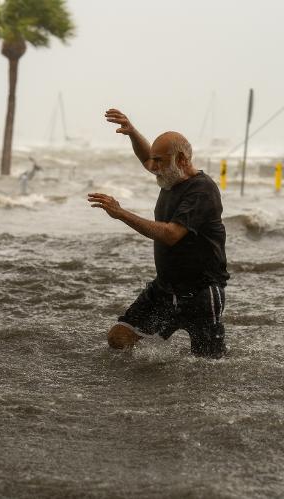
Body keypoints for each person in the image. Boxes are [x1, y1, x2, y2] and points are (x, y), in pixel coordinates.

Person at [87, 108, 229, 358]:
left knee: (208, 366)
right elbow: (148, 158)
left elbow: (171, 234)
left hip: (201, 293)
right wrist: (132, 133)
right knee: (119, 339)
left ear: (182, 159)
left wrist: (121, 213)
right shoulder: (170, 177)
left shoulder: (202, 190)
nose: (153, 167)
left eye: (160, 161)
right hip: (164, 289)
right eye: (154, 160)